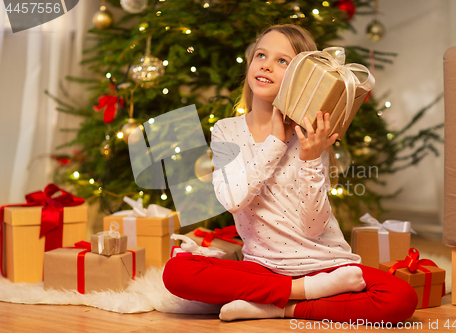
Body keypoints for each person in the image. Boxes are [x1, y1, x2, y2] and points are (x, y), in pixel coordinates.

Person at [163, 24, 418, 323]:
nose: (266, 65)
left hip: (325, 266)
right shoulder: (226, 130)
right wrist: (275, 142)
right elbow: (233, 199)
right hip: (264, 267)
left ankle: (280, 306)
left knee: (401, 299)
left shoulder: (310, 137)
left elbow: (313, 227)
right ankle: (301, 292)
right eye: (261, 55)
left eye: (282, 61)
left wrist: (310, 157)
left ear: (303, 78)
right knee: (177, 272)